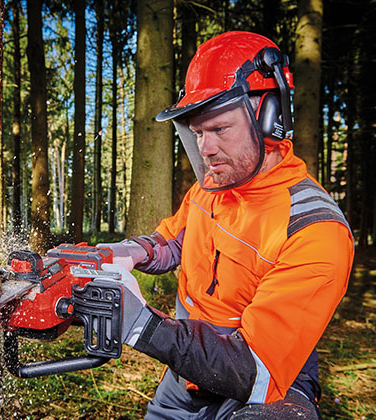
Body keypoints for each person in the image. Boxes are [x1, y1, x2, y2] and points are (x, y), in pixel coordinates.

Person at [98, 31, 354, 420]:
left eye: (219, 129)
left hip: (265, 384)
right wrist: (126, 252)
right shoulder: (213, 188)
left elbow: (253, 370)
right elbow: (174, 242)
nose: (206, 149)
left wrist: (139, 323)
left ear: (270, 118)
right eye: (198, 133)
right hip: (188, 370)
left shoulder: (314, 229)